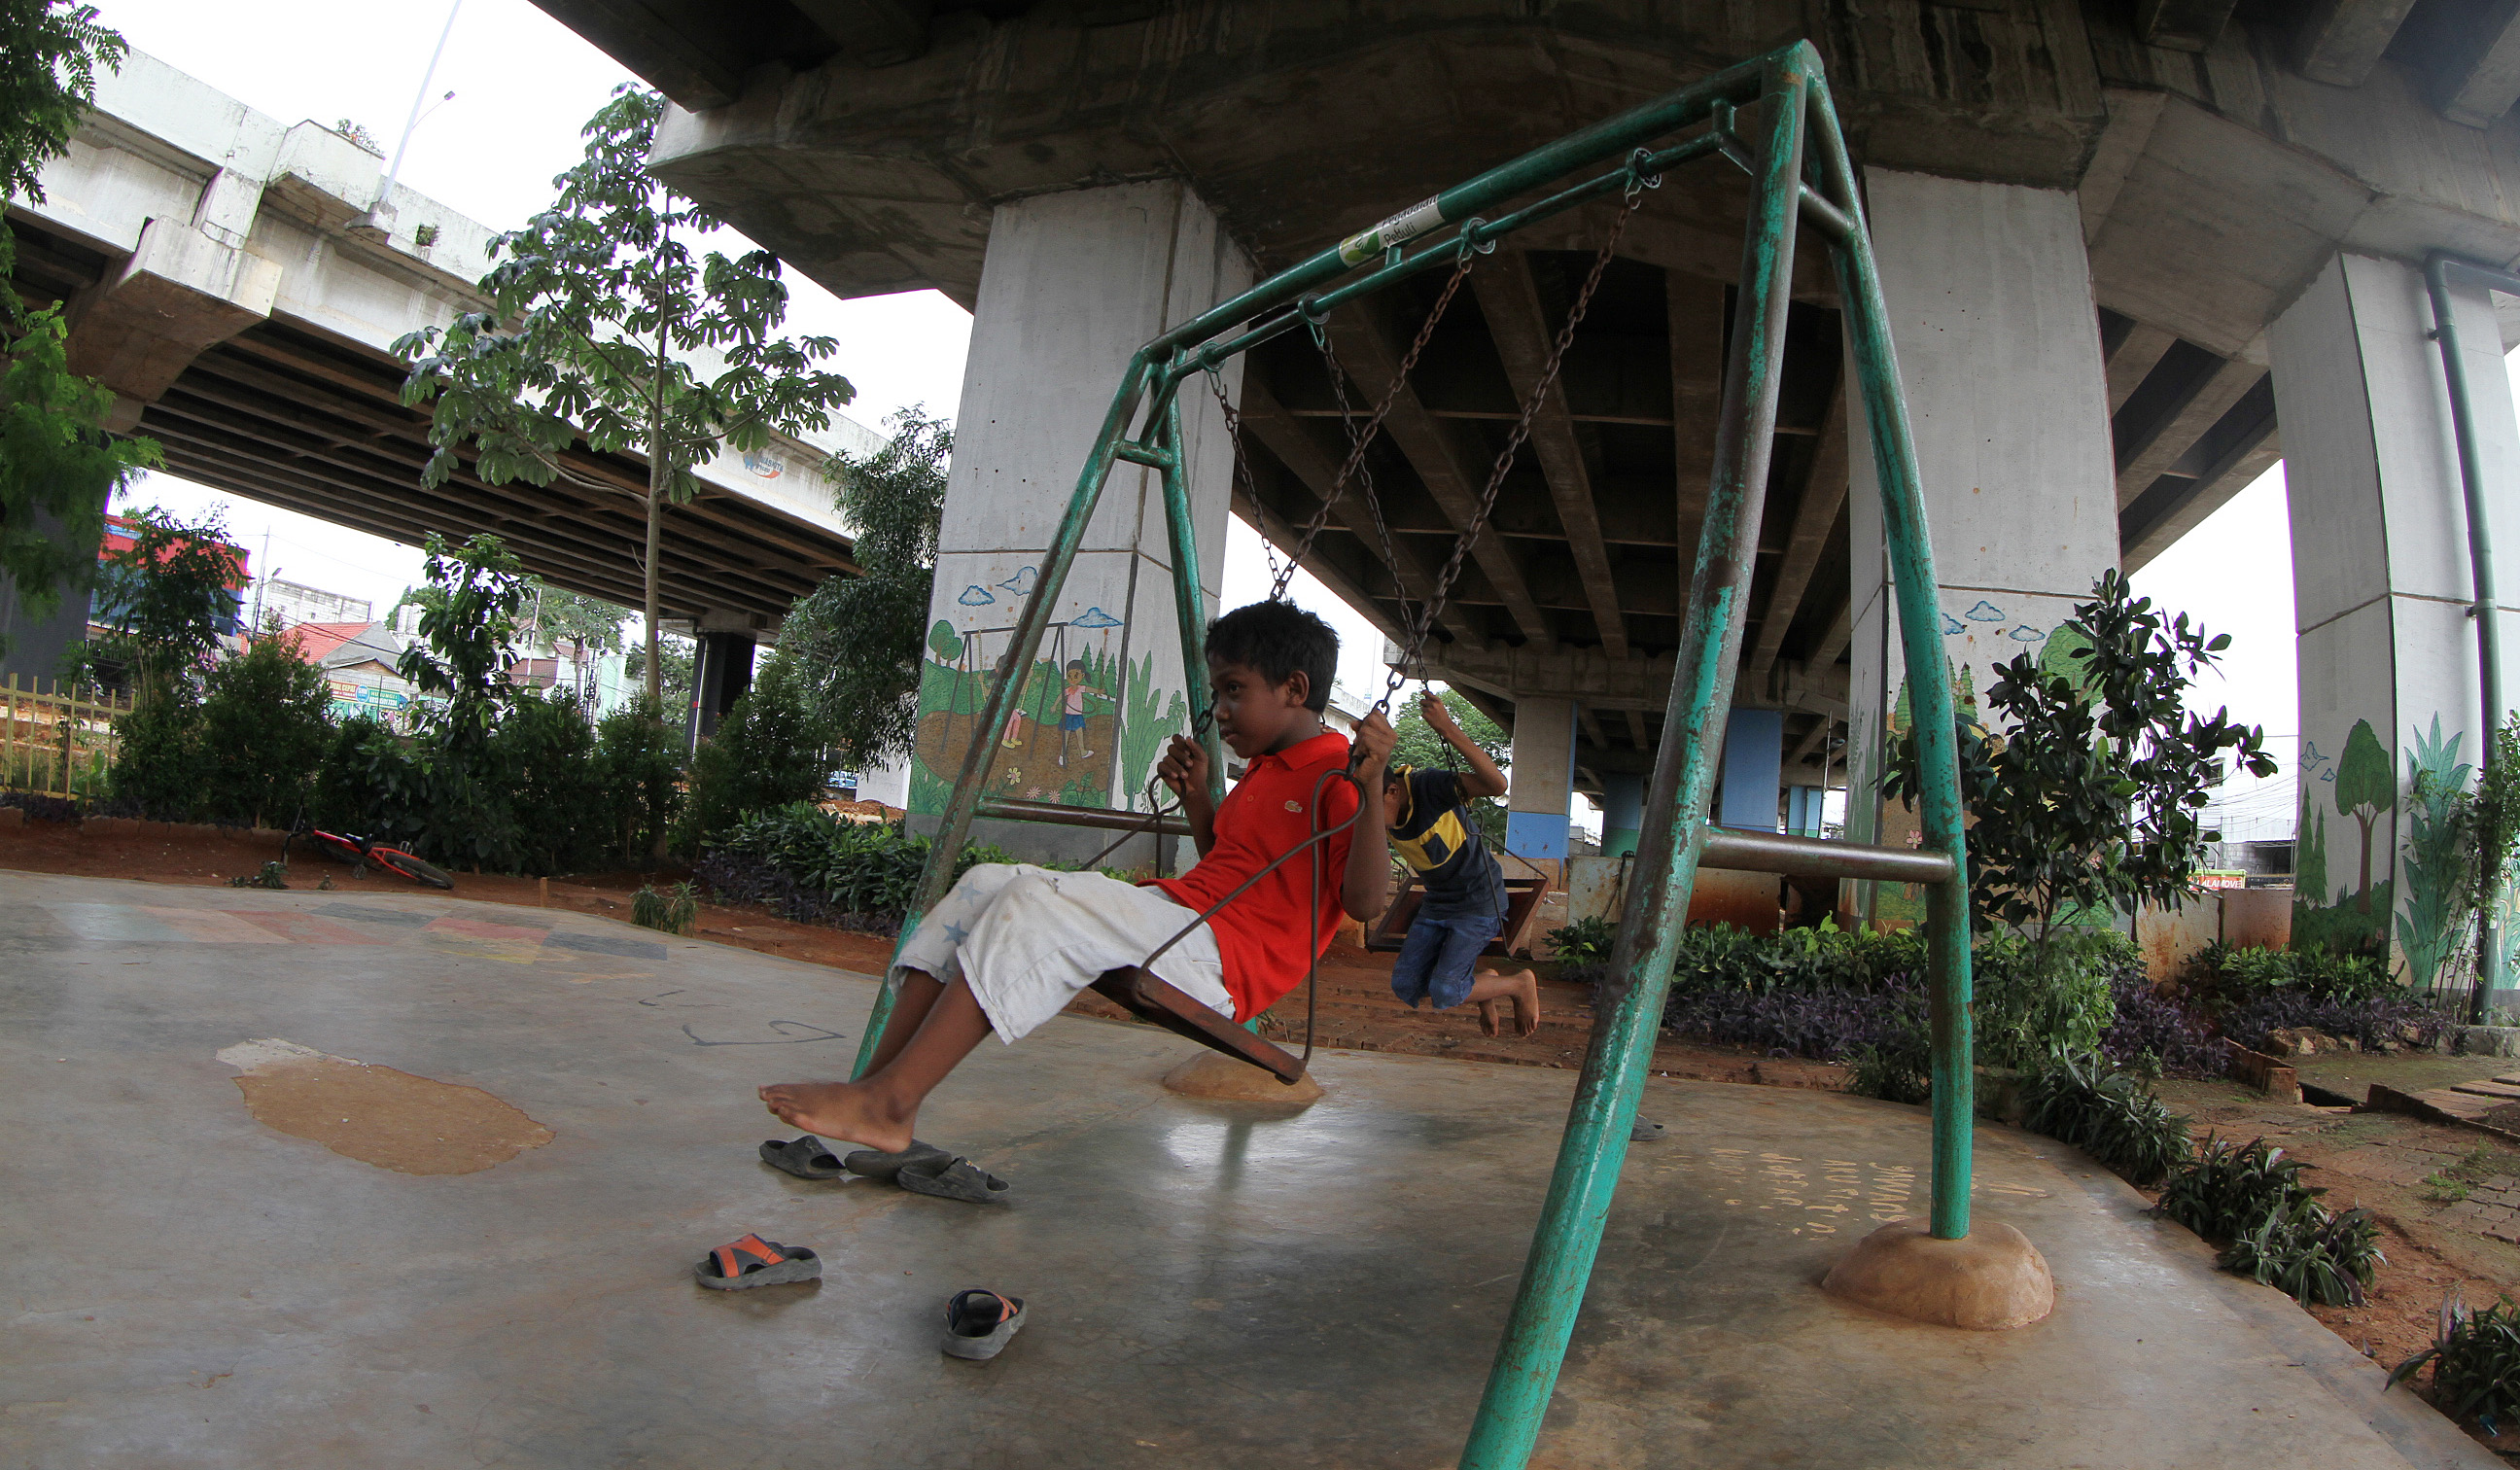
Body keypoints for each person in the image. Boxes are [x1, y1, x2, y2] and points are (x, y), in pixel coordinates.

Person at [760, 602, 1385, 1152]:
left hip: (1222, 960)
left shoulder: (1341, 775)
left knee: (1033, 903)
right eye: (1219, 693)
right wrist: (1197, 795)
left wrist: (1372, 787)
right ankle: (872, 1086)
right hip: (1182, 920)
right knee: (985, 883)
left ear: (1293, 689)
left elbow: (1362, 902)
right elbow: (1229, 861)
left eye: (1234, 690)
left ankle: (892, 1104)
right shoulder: (1266, 769)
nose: (1219, 711)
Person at [1352, 691, 1541, 1038]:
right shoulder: (1373, 806)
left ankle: (1518, 984)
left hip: (1479, 901)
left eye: (1371, 805)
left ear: (1392, 792)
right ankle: (1484, 987)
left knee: (1445, 991)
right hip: (1438, 902)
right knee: (1405, 985)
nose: (1368, 818)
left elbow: (1497, 784)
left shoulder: (1429, 788)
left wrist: (1446, 727)